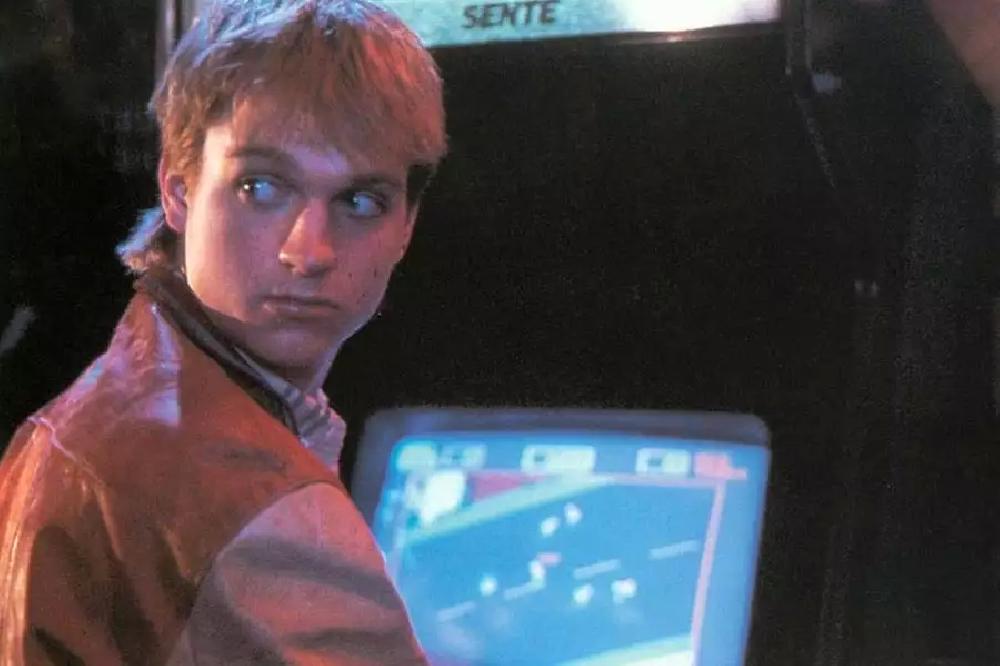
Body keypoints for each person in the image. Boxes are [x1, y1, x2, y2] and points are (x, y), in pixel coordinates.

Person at [0, 0, 446, 663]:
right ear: (177, 188)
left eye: (360, 200)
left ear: (405, 225)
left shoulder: (118, 392)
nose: (309, 251)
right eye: (261, 188)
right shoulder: (265, 513)